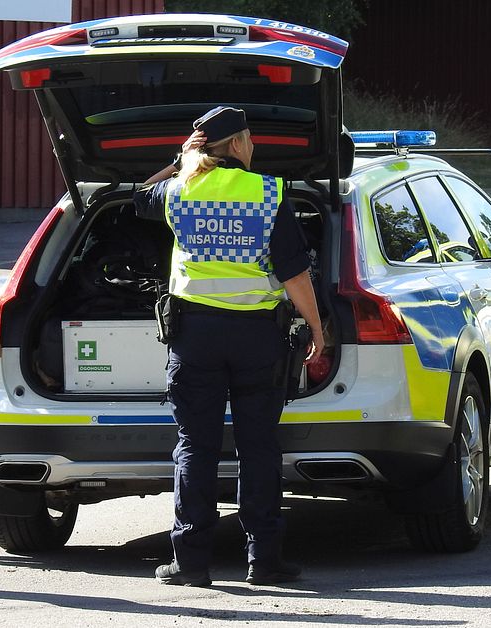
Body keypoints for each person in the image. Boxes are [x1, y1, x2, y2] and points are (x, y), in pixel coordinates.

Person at [134, 106, 325, 587]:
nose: (254, 146)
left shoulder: (179, 191)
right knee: (258, 446)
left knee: (195, 447)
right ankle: (264, 560)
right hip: (256, 337)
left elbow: (138, 197)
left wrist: (180, 162)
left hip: (194, 337)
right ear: (239, 144)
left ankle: (190, 563)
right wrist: (316, 327)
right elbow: (294, 272)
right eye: (250, 139)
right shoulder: (268, 193)